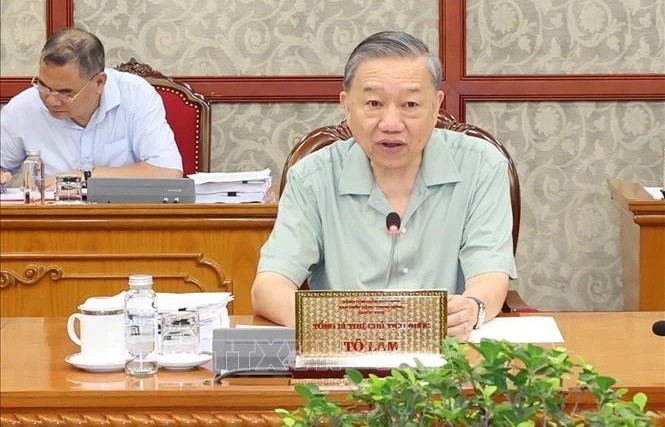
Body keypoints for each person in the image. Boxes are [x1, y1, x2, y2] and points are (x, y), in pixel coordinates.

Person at [252, 31, 517, 341]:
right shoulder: (312, 177)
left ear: (436, 106)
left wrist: (472, 308)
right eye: (374, 103)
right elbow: (269, 288)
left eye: (410, 104)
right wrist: (344, 325)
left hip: (446, 362)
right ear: (347, 106)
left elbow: (489, 275)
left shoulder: (481, 166)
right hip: (344, 358)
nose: (391, 123)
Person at [0, 28, 183, 189]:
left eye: (66, 93)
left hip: (124, 218)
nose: (51, 101)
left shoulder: (136, 95)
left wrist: (84, 176)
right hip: (51, 222)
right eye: (44, 86)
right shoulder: (22, 107)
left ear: (99, 83)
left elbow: (168, 172)